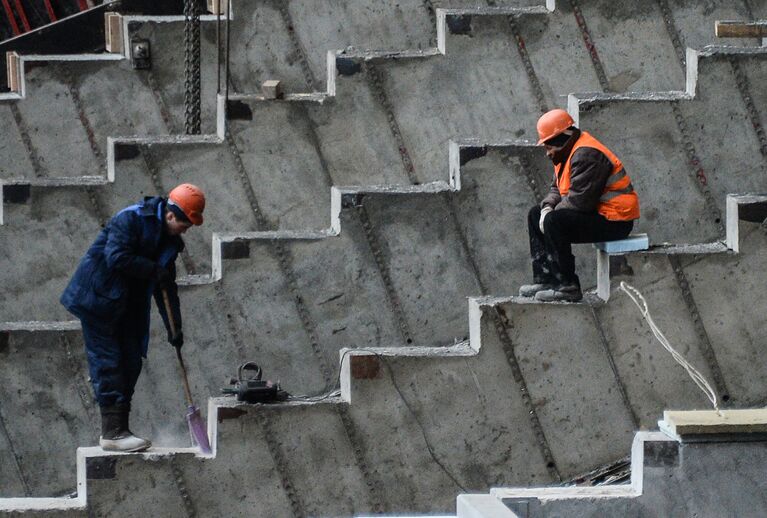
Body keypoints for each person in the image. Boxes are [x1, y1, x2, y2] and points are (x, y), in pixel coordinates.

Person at [61, 184, 206, 451]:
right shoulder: (131, 218)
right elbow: (116, 257)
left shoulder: (170, 242)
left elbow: (167, 288)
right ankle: (113, 432)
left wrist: (174, 328)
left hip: (127, 306)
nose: (186, 230)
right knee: (109, 362)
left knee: (130, 361)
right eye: (185, 224)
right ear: (171, 216)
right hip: (98, 300)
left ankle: (120, 430)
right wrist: (153, 270)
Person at [520, 109, 640, 302]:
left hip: (615, 220)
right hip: (598, 214)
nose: (548, 153)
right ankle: (546, 279)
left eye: (549, 147)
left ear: (562, 139)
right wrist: (546, 208)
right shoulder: (564, 154)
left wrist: (550, 216)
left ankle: (567, 286)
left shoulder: (587, 154)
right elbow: (556, 189)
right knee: (535, 215)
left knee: (554, 221)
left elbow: (580, 202)